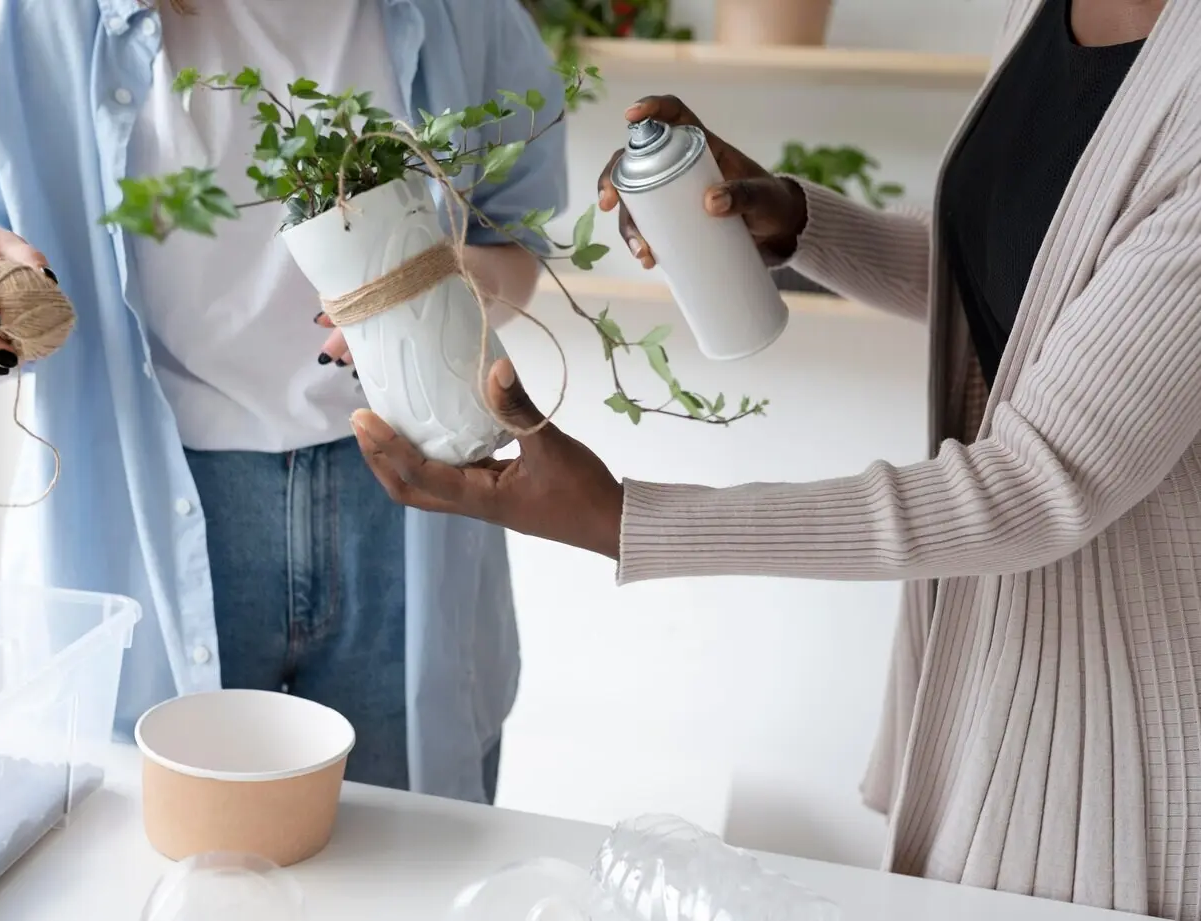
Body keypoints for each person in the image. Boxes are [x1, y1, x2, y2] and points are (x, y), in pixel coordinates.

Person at [352, 0, 1201, 916]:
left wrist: (629, 521)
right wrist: (799, 220)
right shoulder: (1044, 10)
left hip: (1120, 690)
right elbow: (1030, 272)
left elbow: (1035, 487)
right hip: (992, 641)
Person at [0, 0, 566, 805]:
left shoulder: (460, 16)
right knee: (166, 864)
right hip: (149, 526)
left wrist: (421, 287)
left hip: (405, 511)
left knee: (404, 865)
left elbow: (516, 239)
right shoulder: (28, 24)